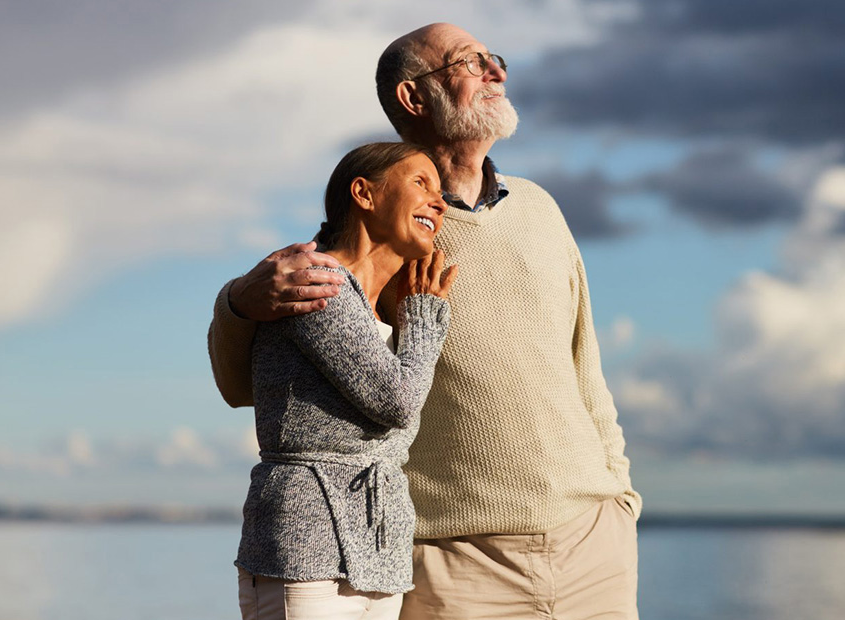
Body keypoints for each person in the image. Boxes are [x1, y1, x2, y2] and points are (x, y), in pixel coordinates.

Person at [209, 22, 641, 619]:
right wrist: (234, 304)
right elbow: (244, 388)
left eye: (496, 59)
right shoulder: (378, 243)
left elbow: (584, 366)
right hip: (451, 562)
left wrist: (619, 498)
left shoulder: (541, 209)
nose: (497, 72)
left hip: (594, 546)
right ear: (414, 98)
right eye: (470, 62)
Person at [234, 142, 457, 619]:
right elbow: (396, 402)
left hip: (381, 547)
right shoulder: (314, 280)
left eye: (441, 191)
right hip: (306, 539)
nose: (439, 201)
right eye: (421, 183)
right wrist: (424, 315)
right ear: (364, 193)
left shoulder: (378, 309)